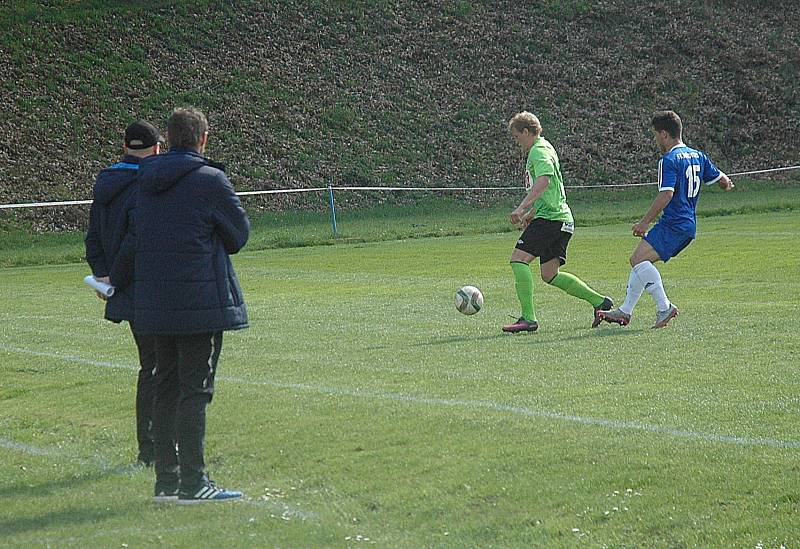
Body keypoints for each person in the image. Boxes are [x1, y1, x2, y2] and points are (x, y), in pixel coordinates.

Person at [132, 107, 250, 504]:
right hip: (198, 300)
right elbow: (238, 235)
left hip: (154, 302)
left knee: (164, 386)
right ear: (202, 139)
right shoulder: (210, 180)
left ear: (168, 138)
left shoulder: (143, 181)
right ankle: (193, 481)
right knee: (195, 390)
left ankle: (166, 479)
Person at [597, 110, 733, 329]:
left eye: (655, 135)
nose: (655, 140)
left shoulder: (669, 160)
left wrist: (644, 222)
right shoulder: (698, 155)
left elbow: (666, 193)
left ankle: (664, 307)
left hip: (674, 223)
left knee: (638, 260)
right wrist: (726, 184)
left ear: (664, 134)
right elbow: (722, 179)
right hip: (687, 224)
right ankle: (625, 311)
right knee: (640, 260)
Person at [84, 119, 163, 466]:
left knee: (151, 366)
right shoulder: (150, 183)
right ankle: (155, 448)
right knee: (162, 368)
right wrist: (113, 276)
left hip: (123, 288)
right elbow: (139, 239)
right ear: (158, 148)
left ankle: (152, 447)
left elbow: (92, 238)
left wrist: (102, 276)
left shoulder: (107, 183)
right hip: (150, 285)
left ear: (124, 148)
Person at [503, 111, 613, 333]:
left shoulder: (538, 151)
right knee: (549, 274)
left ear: (526, 132)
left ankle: (528, 318)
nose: (517, 142)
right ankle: (601, 303)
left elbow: (544, 181)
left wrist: (522, 207)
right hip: (560, 218)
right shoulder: (546, 147)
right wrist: (532, 214)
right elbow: (551, 191)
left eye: (517, 136)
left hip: (552, 219)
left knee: (518, 260)